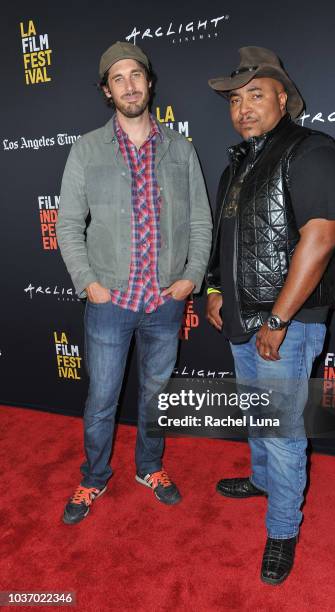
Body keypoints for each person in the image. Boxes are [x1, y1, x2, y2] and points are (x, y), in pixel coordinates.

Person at [206, 47, 335, 584]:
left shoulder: (311, 150)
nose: (242, 107)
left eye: (255, 95)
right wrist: (216, 290)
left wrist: (280, 320)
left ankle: (283, 528)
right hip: (244, 319)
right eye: (235, 99)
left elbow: (320, 239)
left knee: (283, 431)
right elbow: (226, 242)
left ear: (282, 97)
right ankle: (263, 482)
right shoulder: (237, 166)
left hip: (285, 324)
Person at [56, 41, 212, 524]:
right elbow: (67, 225)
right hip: (109, 302)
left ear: (149, 82)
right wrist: (88, 283)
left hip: (165, 301)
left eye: (136, 75)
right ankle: (94, 476)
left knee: (156, 395)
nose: (130, 85)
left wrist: (191, 277)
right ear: (107, 91)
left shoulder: (180, 149)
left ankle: (149, 467)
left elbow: (202, 222)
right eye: (118, 78)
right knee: (102, 398)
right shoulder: (86, 149)